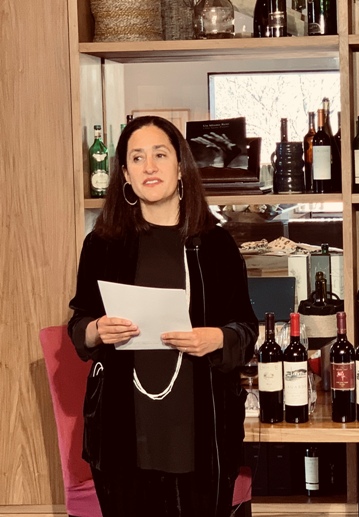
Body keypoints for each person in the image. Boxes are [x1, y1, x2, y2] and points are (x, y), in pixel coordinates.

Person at [68, 115, 259, 517]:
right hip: (122, 428)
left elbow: (245, 329)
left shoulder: (216, 244)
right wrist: (96, 330)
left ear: (181, 166)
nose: (149, 167)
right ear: (125, 173)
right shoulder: (103, 244)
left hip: (201, 427)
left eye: (160, 155)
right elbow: (79, 324)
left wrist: (217, 338)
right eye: (137, 158)